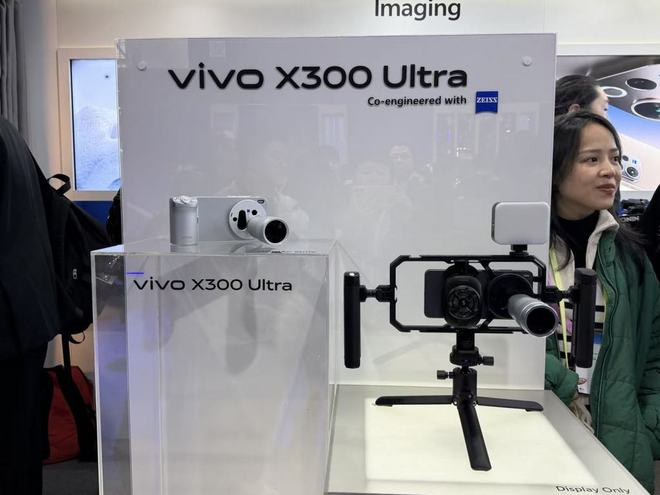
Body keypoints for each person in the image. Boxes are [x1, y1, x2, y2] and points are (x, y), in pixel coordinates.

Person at [544, 111, 660, 493]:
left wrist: (647, 428)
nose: (611, 171)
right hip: (541, 428)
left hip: (619, 441)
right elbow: (504, 345)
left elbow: (654, 353)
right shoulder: (524, 251)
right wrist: (561, 385)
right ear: (555, 170)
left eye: (615, 158)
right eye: (591, 159)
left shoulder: (629, 255)